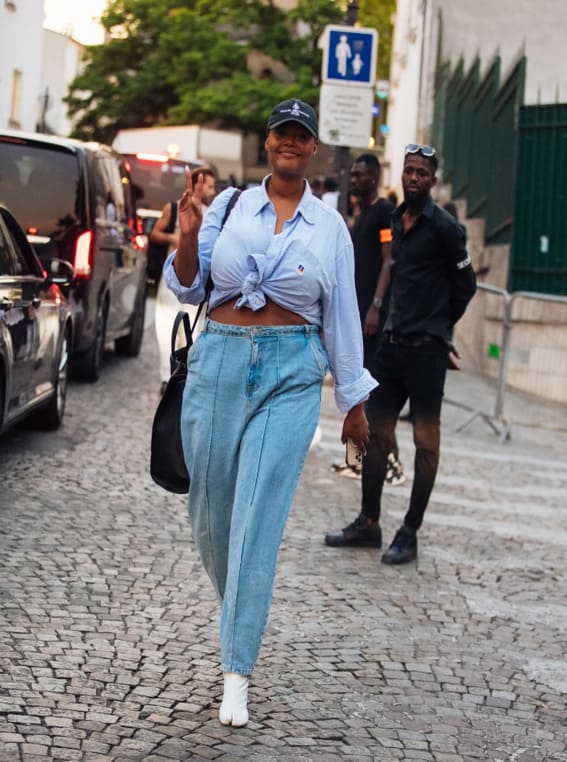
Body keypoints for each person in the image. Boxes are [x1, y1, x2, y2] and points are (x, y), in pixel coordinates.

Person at [163, 99, 376, 726]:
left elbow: (340, 318)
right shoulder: (228, 207)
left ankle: (237, 671)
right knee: (210, 517)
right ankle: (242, 611)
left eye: (300, 135)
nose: (289, 142)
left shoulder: (329, 227)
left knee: (257, 518)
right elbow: (188, 285)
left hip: (291, 372)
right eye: (281, 132)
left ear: (313, 149)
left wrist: (353, 403)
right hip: (217, 364)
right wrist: (187, 233)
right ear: (268, 142)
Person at [325, 143, 476, 564]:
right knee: (373, 435)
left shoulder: (446, 229)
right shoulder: (395, 218)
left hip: (426, 352)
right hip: (390, 347)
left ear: (433, 180)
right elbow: (393, 276)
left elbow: (466, 287)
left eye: (422, 173)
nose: (414, 178)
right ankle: (368, 523)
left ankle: (409, 531)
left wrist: (440, 328)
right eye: (409, 171)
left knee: (426, 443)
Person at [330, 154, 404, 486]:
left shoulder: (385, 213)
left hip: (371, 318)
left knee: (370, 394)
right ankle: (356, 459)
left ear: (374, 177)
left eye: (360, 174)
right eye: (353, 173)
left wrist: (375, 305)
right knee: (358, 391)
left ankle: (391, 462)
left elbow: (389, 261)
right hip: (356, 315)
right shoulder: (362, 215)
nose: (354, 178)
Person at [152, 168, 217, 393]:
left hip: (198, 279)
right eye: (208, 185)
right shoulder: (174, 207)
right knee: (166, 322)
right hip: (173, 275)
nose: (212, 190)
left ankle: (187, 372)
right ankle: (165, 374)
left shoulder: (216, 213)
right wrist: (180, 238)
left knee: (193, 325)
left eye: (212, 186)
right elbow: (156, 233)